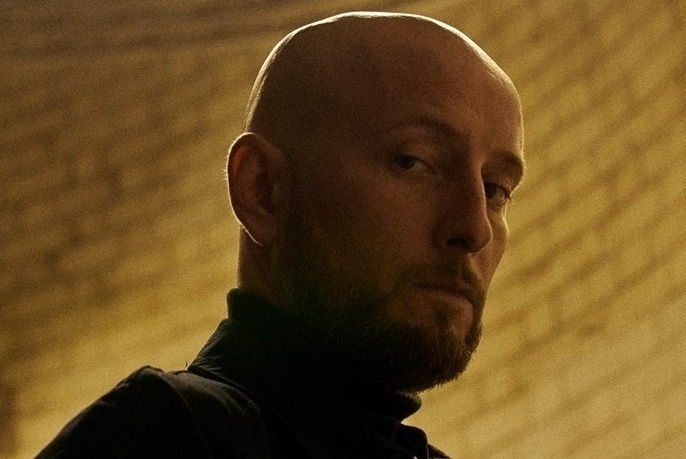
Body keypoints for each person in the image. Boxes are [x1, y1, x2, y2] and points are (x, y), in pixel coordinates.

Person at [37, 10, 525, 459]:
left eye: (495, 189)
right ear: (263, 190)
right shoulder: (159, 437)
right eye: (413, 162)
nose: (474, 228)